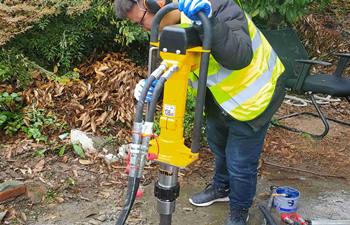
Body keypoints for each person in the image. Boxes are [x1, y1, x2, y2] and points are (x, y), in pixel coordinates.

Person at [114, 0, 286, 224]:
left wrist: (209, 23)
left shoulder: (214, 6)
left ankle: (239, 211)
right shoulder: (171, 28)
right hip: (220, 97)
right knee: (217, 144)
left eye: (142, 20)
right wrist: (154, 84)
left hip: (256, 94)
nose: (146, 28)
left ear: (155, 2)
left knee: (240, 163)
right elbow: (175, 65)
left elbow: (240, 56)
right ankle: (222, 187)